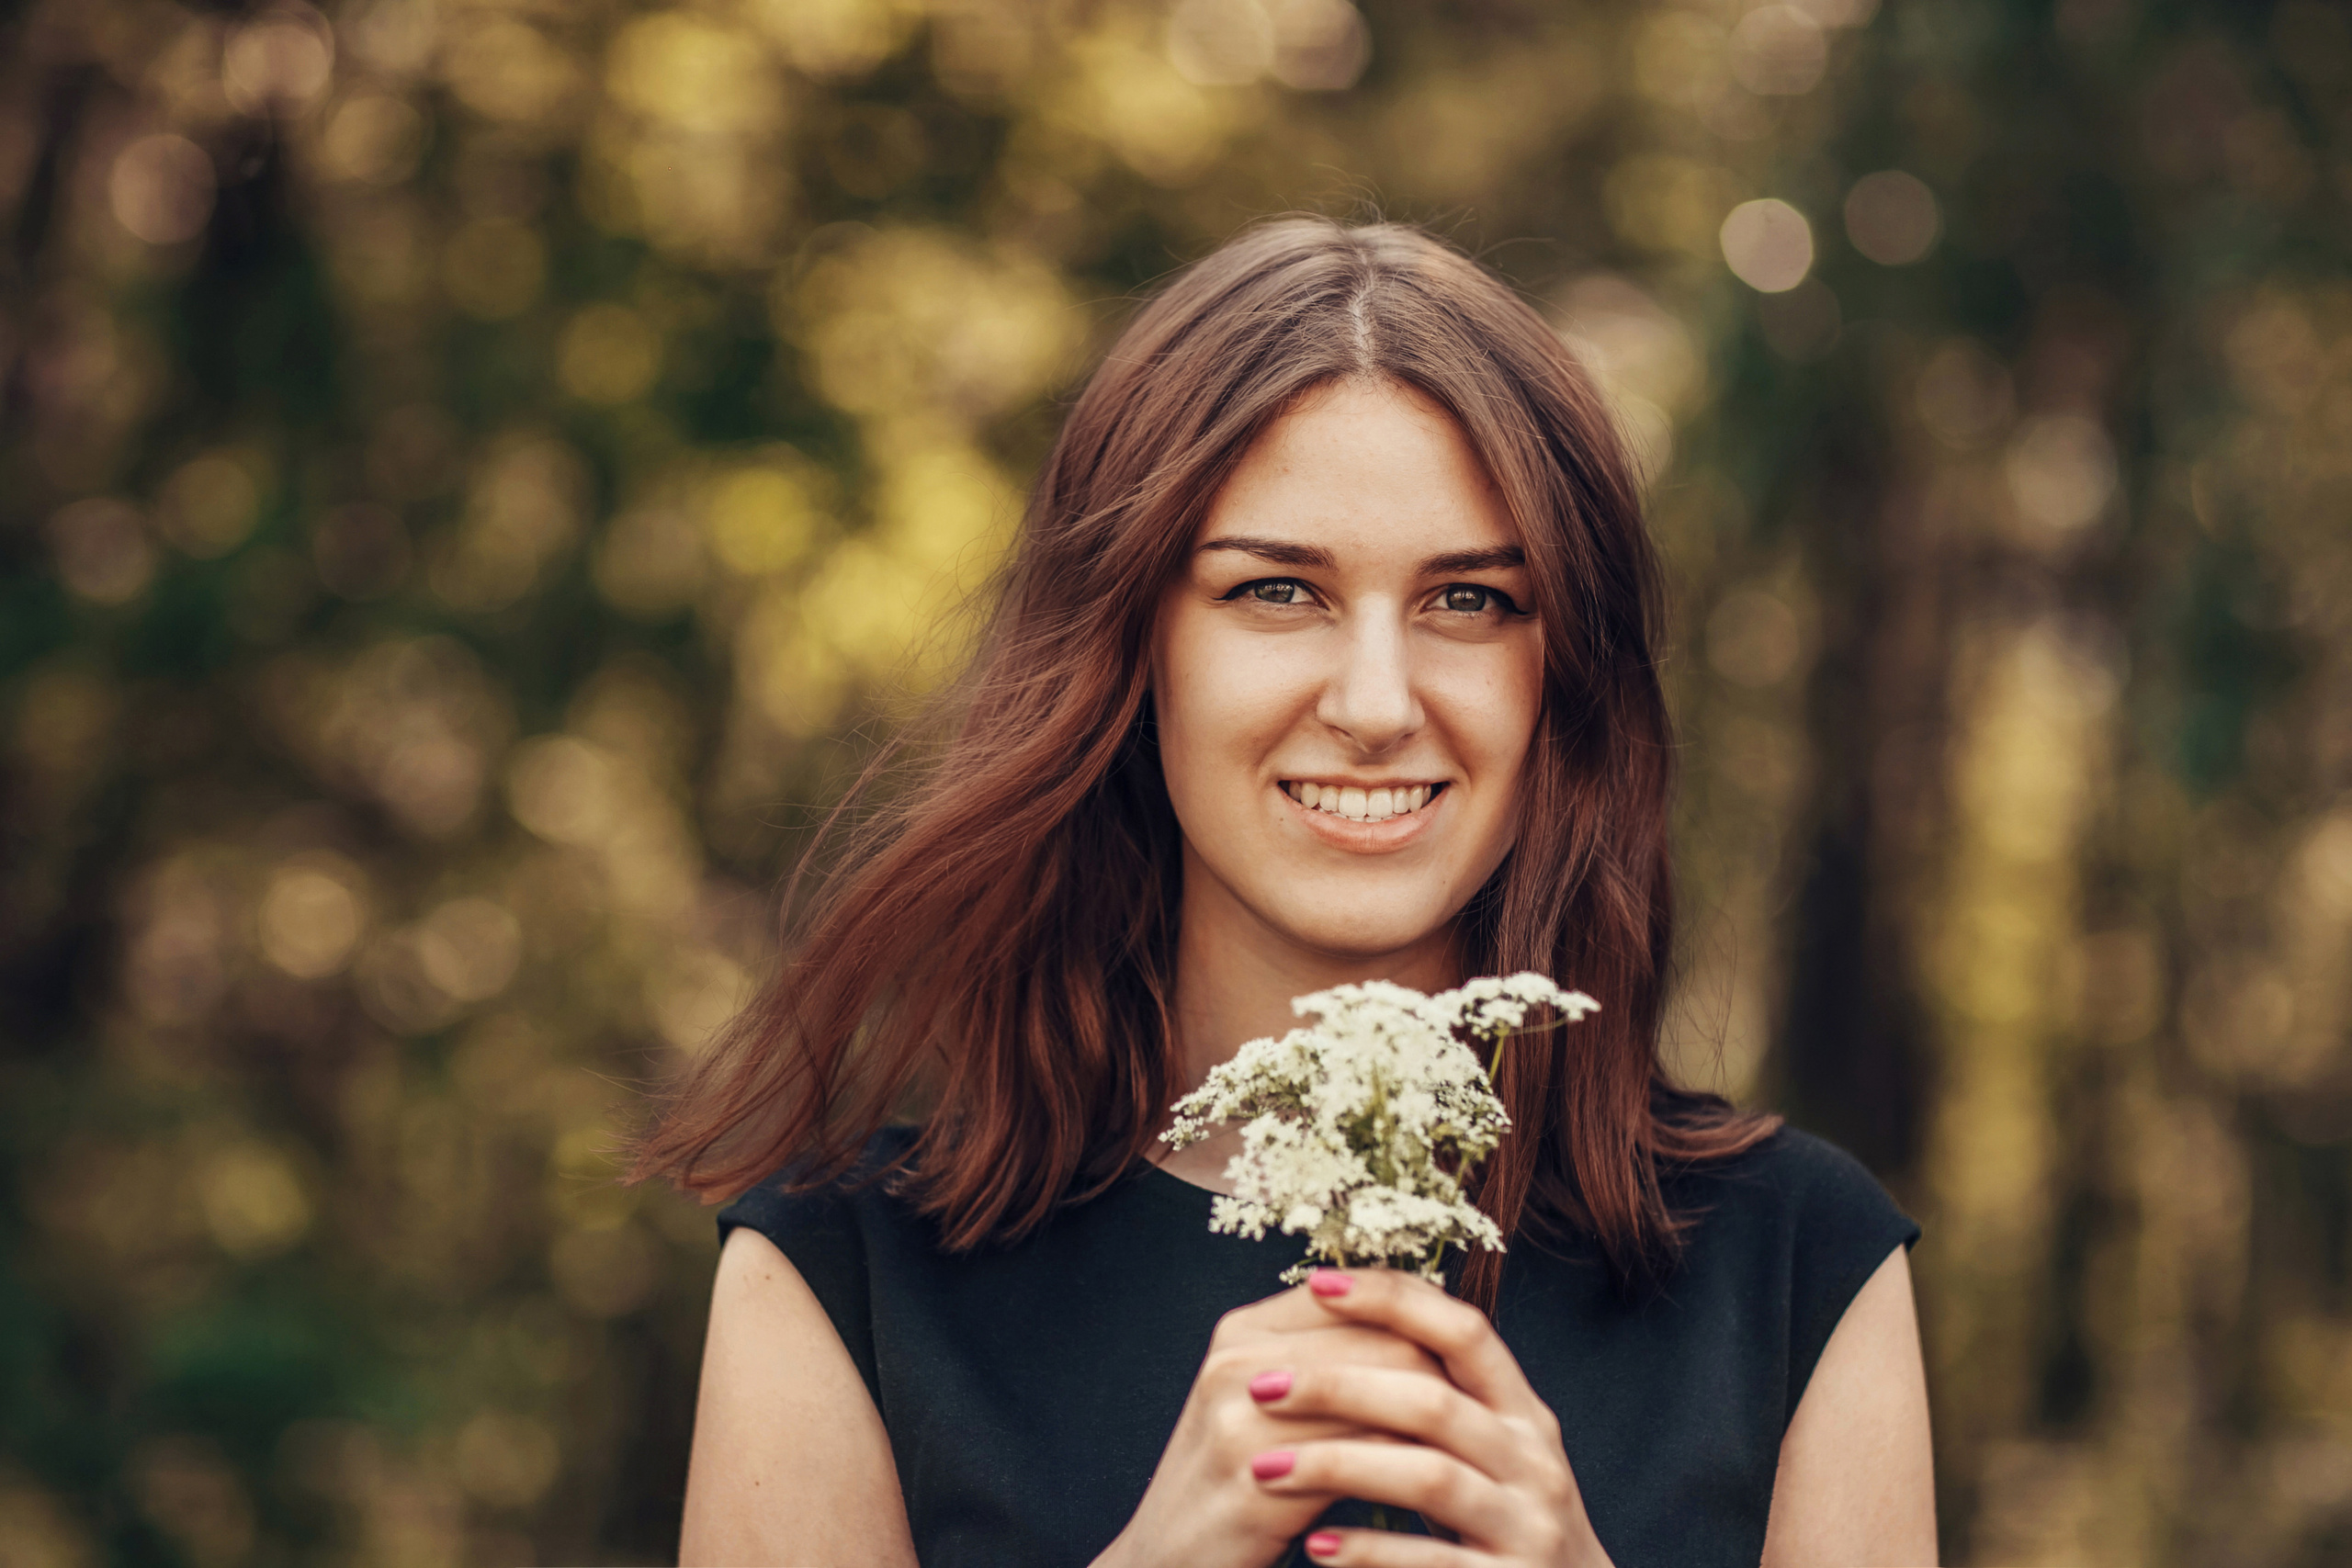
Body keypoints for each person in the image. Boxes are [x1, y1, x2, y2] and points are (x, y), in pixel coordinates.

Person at [628, 219, 1937, 1568]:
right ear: (1132, 650)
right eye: (1277, 590)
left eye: (1472, 602)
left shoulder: (1798, 1273)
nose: (1376, 705)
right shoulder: (841, 1280)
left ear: (1571, 677)